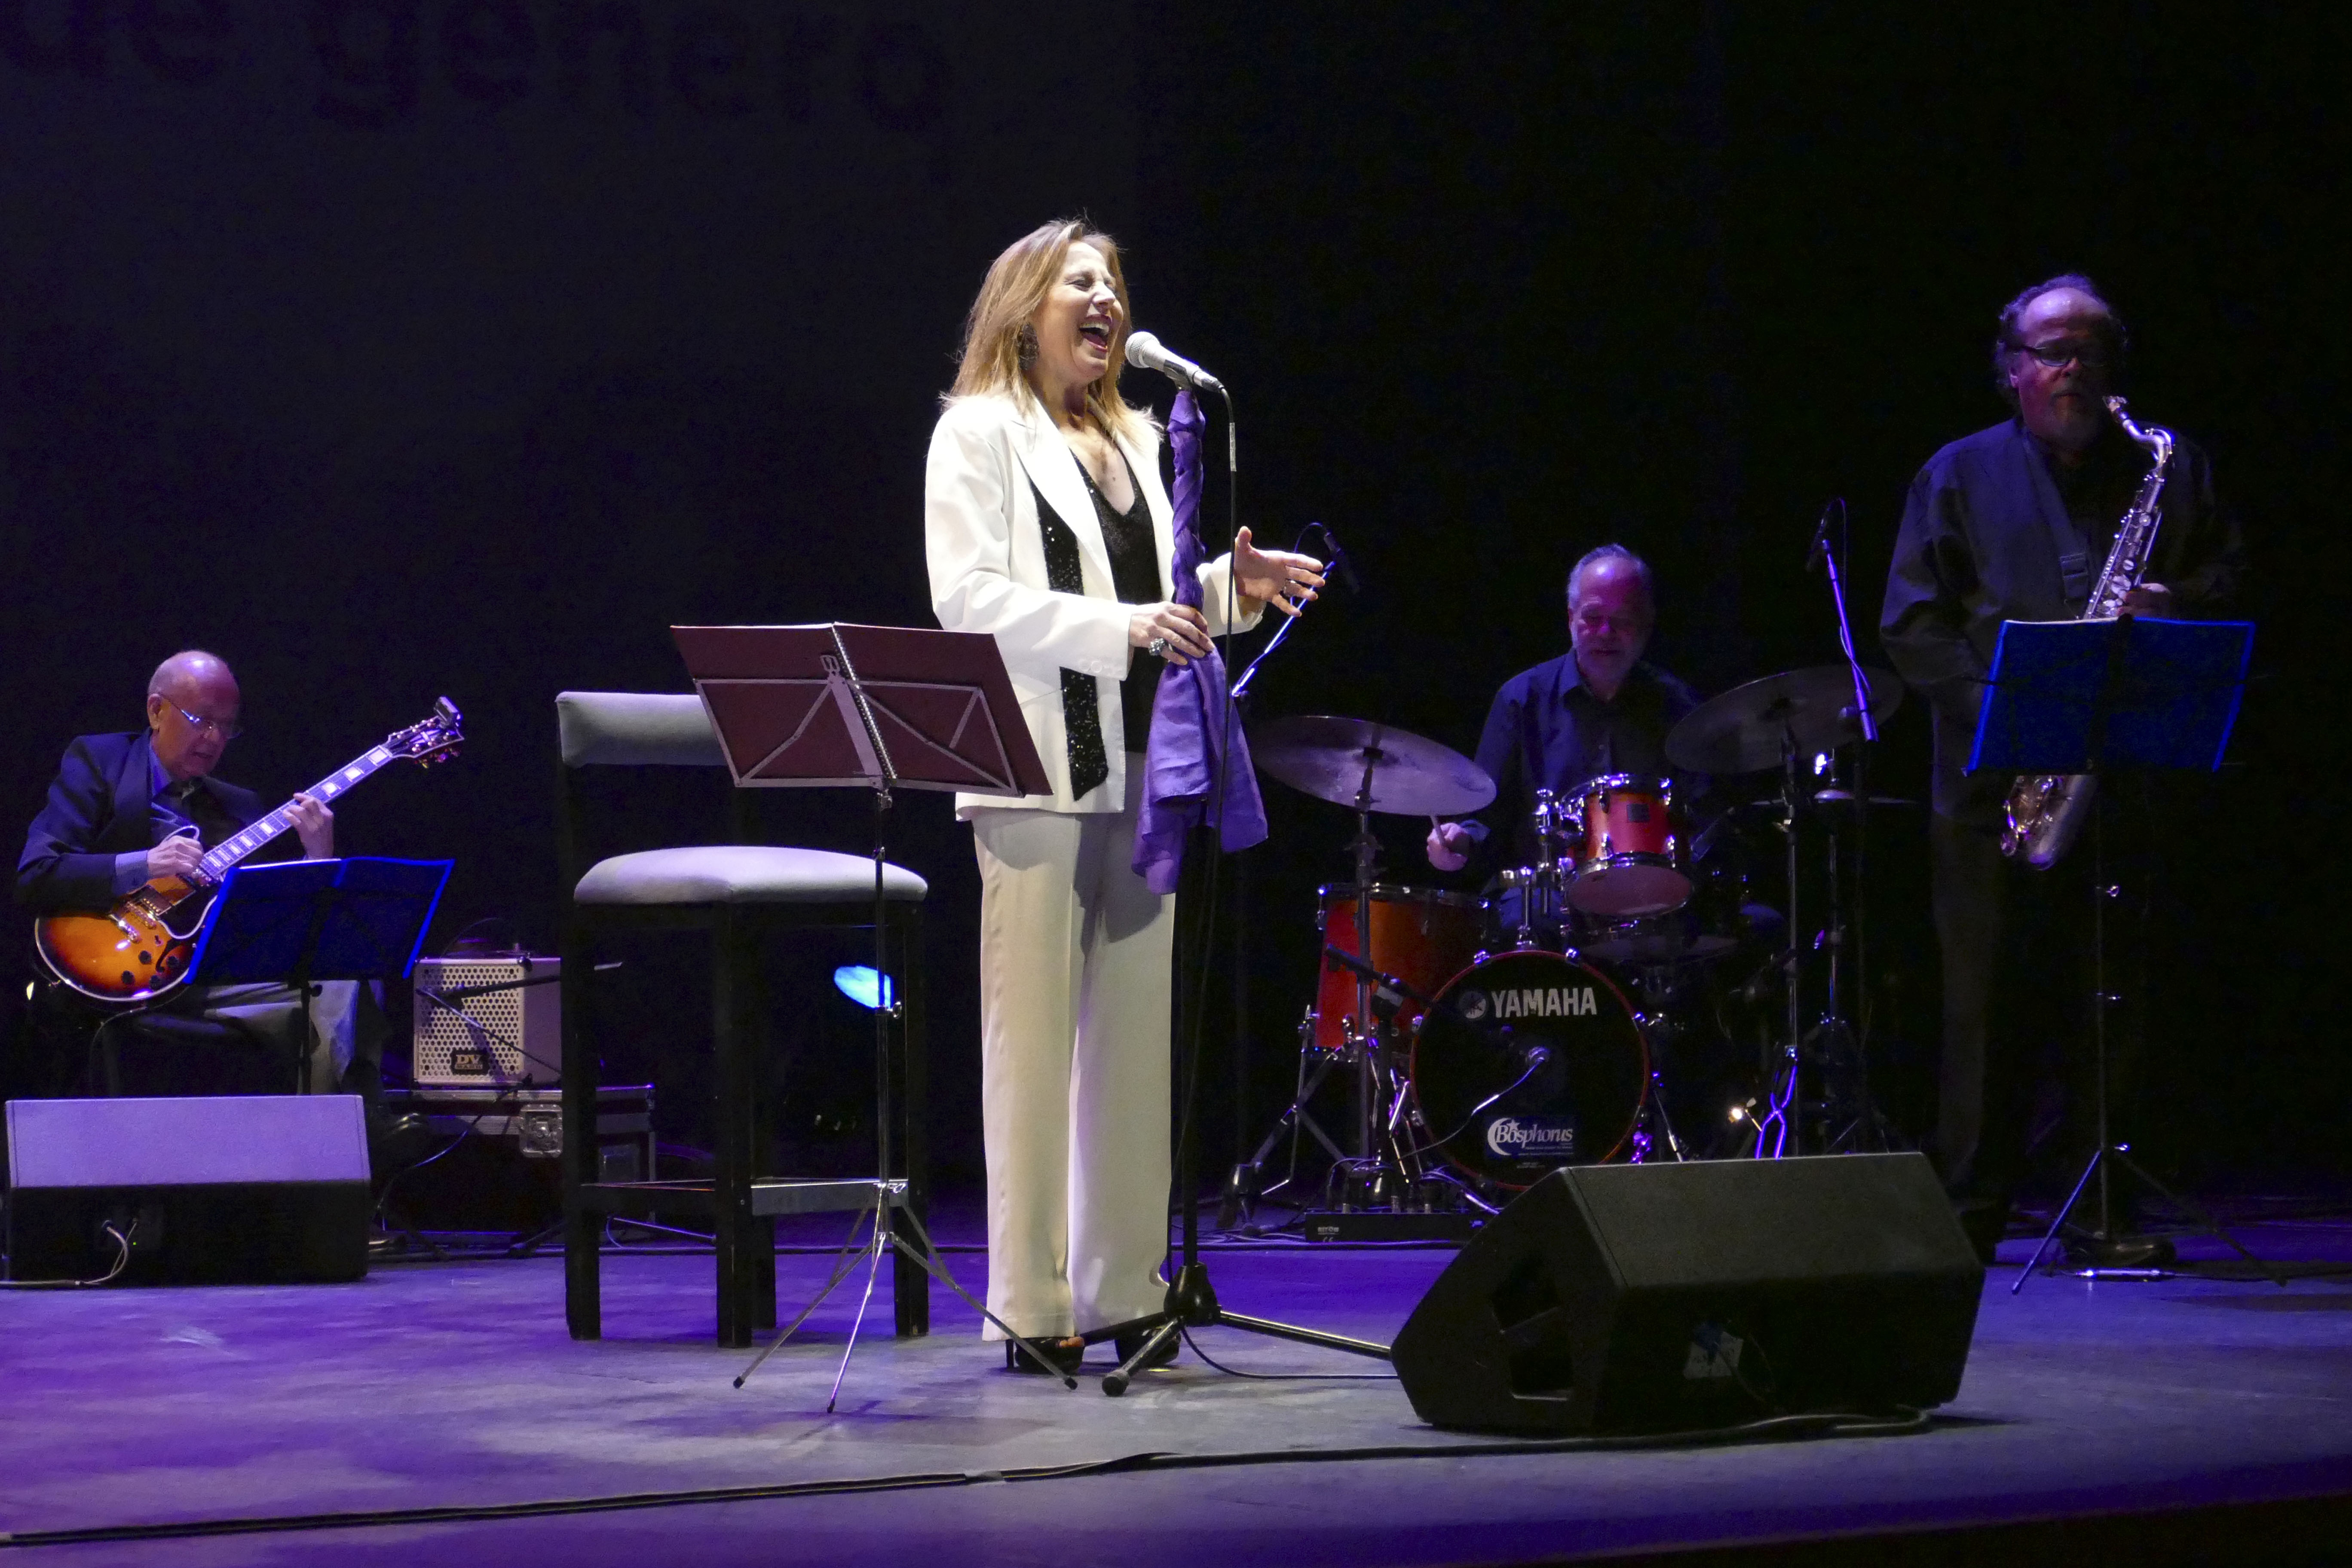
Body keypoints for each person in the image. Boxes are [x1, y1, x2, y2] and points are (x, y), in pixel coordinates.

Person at [924, 219, 1324, 1374]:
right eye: (1079, 282)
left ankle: (1122, 1288)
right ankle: (1031, 1302)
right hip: (1032, 771)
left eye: (1113, 284)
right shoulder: (978, 431)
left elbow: (1156, 597)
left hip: (1148, 769)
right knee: (1032, 1045)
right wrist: (1125, 627)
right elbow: (969, 597)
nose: (1104, 299)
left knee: (1131, 1048)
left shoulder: (1141, 438)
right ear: (1024, 308)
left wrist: (1232, 587)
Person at [1879, 274, 2244, 1264]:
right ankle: (1970, 1218)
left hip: (2123, 780)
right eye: (2051, 352)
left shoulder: (2168, 466)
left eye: (2090, 351)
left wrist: (2173, 603)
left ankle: (2103, 1207)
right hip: (1994, 790)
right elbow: (1912, 627)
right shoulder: (1956, 473)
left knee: (2115, 995)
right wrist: (2004, 718)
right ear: (2011, 370)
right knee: (1984, 1008)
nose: (2072, 369)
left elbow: (2230, 573)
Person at [16, 650, 371, 1096]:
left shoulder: (239, 807)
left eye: (226, 727)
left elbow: (270, 928)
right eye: (202, 720)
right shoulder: (99, 762)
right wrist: (147, 863)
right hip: (107, 964)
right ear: (156, 711)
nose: (214, 738)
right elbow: (37, 874)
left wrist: (316, 859)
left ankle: (347, 1129)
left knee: (347, 980)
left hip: (204, 978)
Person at [1427, 545, 1704, 889]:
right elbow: (1484, 820)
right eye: (1593, 617)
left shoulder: (1678, 705)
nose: (1606, 632)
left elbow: (1705, 817)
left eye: (1623, 620)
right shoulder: (1521, 699)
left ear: (1647, 624)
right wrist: (1460, 840)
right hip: (1545, 895)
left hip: (1653, 892)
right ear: (1571, 618)